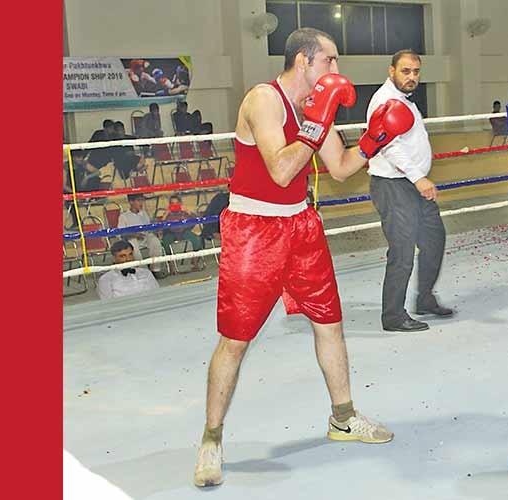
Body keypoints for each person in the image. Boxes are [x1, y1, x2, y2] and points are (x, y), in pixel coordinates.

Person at [193, 27, 411, 487]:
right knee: (235, 340)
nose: (337, 69)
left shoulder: (316, 107)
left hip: (301, 226)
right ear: (303, 61)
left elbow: (341, 168)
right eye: (330, 60)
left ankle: (343, 418)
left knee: (329, 322)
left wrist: (374, 140)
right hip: (254, 230)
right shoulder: (263, 100)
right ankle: (211, 439)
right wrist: (316, 122)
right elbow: (281, 169)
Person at [366, 49, 454, 333]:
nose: (412, 77)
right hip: (394, 185)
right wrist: (419, 178)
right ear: (391, 71)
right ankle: (393, 315)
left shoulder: (405, 100)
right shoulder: (384, 100)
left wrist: (419, 178)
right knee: (402, 251)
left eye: (416, 72)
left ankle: (424, 298)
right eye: (405, 71)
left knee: (434, 238)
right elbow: (389, 146)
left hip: (413, 184)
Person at [118, 194, 167, 278]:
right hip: (132, 239)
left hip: (145, 236)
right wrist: (134, 234)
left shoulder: (144, 213)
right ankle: (143, 272)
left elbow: (149, 227)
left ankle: (155, 269)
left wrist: (155, 229)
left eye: (142, 200)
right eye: (138, 200)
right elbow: (120, 233)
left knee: (155, 242)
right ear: (131, 202)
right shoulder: (124, 216)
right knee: (133, 245)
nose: (141, 203)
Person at [161, 194, 204, 272]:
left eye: (177, 203)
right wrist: (165, 215)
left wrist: (188, 211)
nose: (175, 205)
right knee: (165, 242)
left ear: (180, 203)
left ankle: (195, 263)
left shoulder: (184, 212)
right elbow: (161, 227)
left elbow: (196, 220)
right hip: (170, 233)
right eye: (172, 203)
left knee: (197, 240)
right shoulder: (167, 214)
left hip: (184, 232)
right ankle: (171, 266)